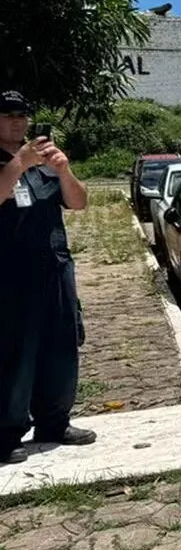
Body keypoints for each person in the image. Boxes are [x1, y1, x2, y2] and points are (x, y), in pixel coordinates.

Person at [0, 90, 95, 465]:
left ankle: (54, 422)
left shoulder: (42, 163)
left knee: (60, 347)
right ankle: (7, 433)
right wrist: (17, 164)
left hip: (54, 269)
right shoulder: (17, 162)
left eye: (22, 115)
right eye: (7, 116)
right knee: (12, 354)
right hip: (9, 275)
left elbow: (79, 202)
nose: (17, 122)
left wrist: (64, 169)